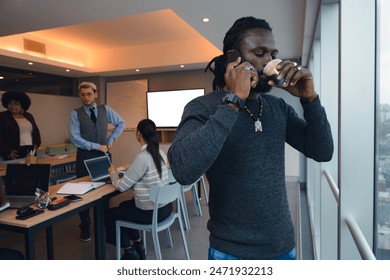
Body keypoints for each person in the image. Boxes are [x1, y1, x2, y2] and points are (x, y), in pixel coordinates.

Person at [168, 16, 334, 260]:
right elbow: (183, 170)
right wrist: (234, 100)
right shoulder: (203, 107)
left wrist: (310, 99)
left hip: (283, 246)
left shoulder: (277, 107)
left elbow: (322, 151)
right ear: (234, 58)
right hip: (231, 252)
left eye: (273, 53)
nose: (271, 61)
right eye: (260, 53)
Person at [104, 119, 172, 260]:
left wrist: (112, 173)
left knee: (110, 214)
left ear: (138, 134)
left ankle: (129, 251)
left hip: (151, 213)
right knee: (124, 206)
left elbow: (122, 186)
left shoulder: (142, 157)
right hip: (166, 208)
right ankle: (138, 244)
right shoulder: (160, 152)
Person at [69, 81, 125, 241]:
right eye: (82, 94)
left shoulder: (105, 109)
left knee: (105, 191)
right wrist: (97, 146)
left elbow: (121, 122)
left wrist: (111, 138)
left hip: (103, 157)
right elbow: (74, 137)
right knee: (84, 193)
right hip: (85, 157)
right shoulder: (75, 113)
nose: (86, 97)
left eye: (89, 94)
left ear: (95, 94)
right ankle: (85, 227)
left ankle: (103, 223)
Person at [0, 91, 41, 160]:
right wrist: (7, 151)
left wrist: (36, 145)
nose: (13, 106)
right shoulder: (2, 117)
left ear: (22, 105)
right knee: (15, 170)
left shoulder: (29, 116)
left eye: (16, 104)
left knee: (31, 170)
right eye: (10, 103)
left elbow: (36, 132)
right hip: (13, 152)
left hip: (30, 150)